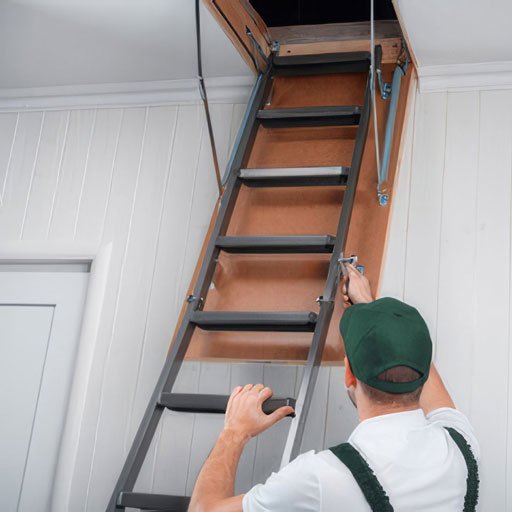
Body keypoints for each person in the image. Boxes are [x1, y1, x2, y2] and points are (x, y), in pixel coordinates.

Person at [189, 264, 480, 511]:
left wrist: (235, 432)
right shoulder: (460, 446)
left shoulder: (322, 477)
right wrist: (370, 311)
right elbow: (417, 361)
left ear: (349, 374)